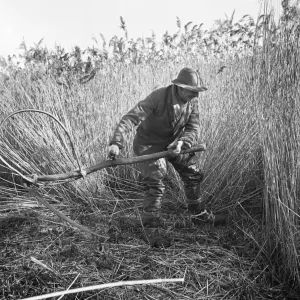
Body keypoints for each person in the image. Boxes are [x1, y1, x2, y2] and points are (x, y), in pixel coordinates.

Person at [108, 67, 225, 247]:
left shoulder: (192, 102)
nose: (196, 96)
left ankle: (198, 215)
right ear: (180, 87)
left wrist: (182, 143)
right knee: (155, 181)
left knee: (193, 172)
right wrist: (116, 143)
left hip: (174, 145)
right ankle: (151, 230)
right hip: (149, 145)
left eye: (197, 91)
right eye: (192, 91)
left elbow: (193, 128)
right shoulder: (158, 97)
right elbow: (130, 118)